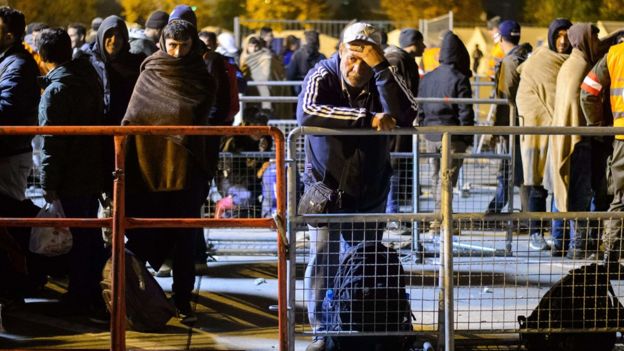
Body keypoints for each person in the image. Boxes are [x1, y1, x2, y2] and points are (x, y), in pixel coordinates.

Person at [297, 22, 417, 351]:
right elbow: (307, 113)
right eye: (352, 57)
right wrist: (366, 119)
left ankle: (358, 325)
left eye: (366, 59)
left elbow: (408, 115)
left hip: (371, 188)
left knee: (364, 262)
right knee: (324, 260)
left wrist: (381, 69)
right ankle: (324, 330)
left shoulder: (384, 76)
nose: (356, 65)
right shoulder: (322, 73)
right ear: (340, 52)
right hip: (327, 189)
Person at [122, 18, 221, 324]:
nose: (177, 53)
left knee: (185, 238)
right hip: (148, 166)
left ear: (193, 45)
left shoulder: (201, 78)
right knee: (142, 232)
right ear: (163, 42)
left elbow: (201, 116)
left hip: (188, 168)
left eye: (185, 46)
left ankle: (182, 298)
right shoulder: (150, 70)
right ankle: (134, 294)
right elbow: (134, 116)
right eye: (173, 45)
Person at [37, 28, 106, 320]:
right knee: (90, 237)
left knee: (77, 239)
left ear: (43, 55)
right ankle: (94, 293)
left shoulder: (56, 90)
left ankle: (79, 298)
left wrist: (48, 183)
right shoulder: (88, 77)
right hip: (91, 169)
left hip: (70, 175)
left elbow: (51, 143)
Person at [516, 18, 572, 254]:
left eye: (566, 36)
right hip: (537, 130)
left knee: (559, 182)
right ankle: (536, 232)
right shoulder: (539, 61)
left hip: (558, 130)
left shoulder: (572, 61)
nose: (562, 41)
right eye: (558, 36)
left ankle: (558, 235)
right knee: (536, 181)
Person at [547, 23, 601, 259]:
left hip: (569, 139)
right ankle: (578, 246)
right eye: (594, 39)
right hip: (579, 142)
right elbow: (583, 104)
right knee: (581, 195)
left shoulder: (572, 62)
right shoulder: (581, 67)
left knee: (570, 194)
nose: (597, 43)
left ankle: (566, 244)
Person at [0, 6, 41, 305]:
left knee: (10, 221)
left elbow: (7, 108)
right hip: (8, 153)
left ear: (9, 34)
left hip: (9, 155)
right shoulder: (9, 61)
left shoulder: (18, 65)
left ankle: (16, 284)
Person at [417, 31, 474, 218]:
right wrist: (466, 138)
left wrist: (425, 128)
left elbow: (420, 107)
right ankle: (442, 220)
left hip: (430, 135)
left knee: (436, 178)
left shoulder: (428, 77)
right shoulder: (459, 78)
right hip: (453, 136)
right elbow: (465, 112)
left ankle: (439, 215)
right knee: (448, 179)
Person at [581, 35, 624, 265]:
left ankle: (610, 253)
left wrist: (598, 126)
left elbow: (588, 91)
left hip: (621, 137)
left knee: (620, 197)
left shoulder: (614, 55)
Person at [486, 20, 532, 214]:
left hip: (512, 125)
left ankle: (501, 212)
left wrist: (498, 129)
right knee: (522, 170)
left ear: (501, 38)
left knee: (512, 170)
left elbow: (504, 99)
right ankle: (523, 213)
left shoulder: (509, 62)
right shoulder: (528, 57)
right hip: (527, 122)